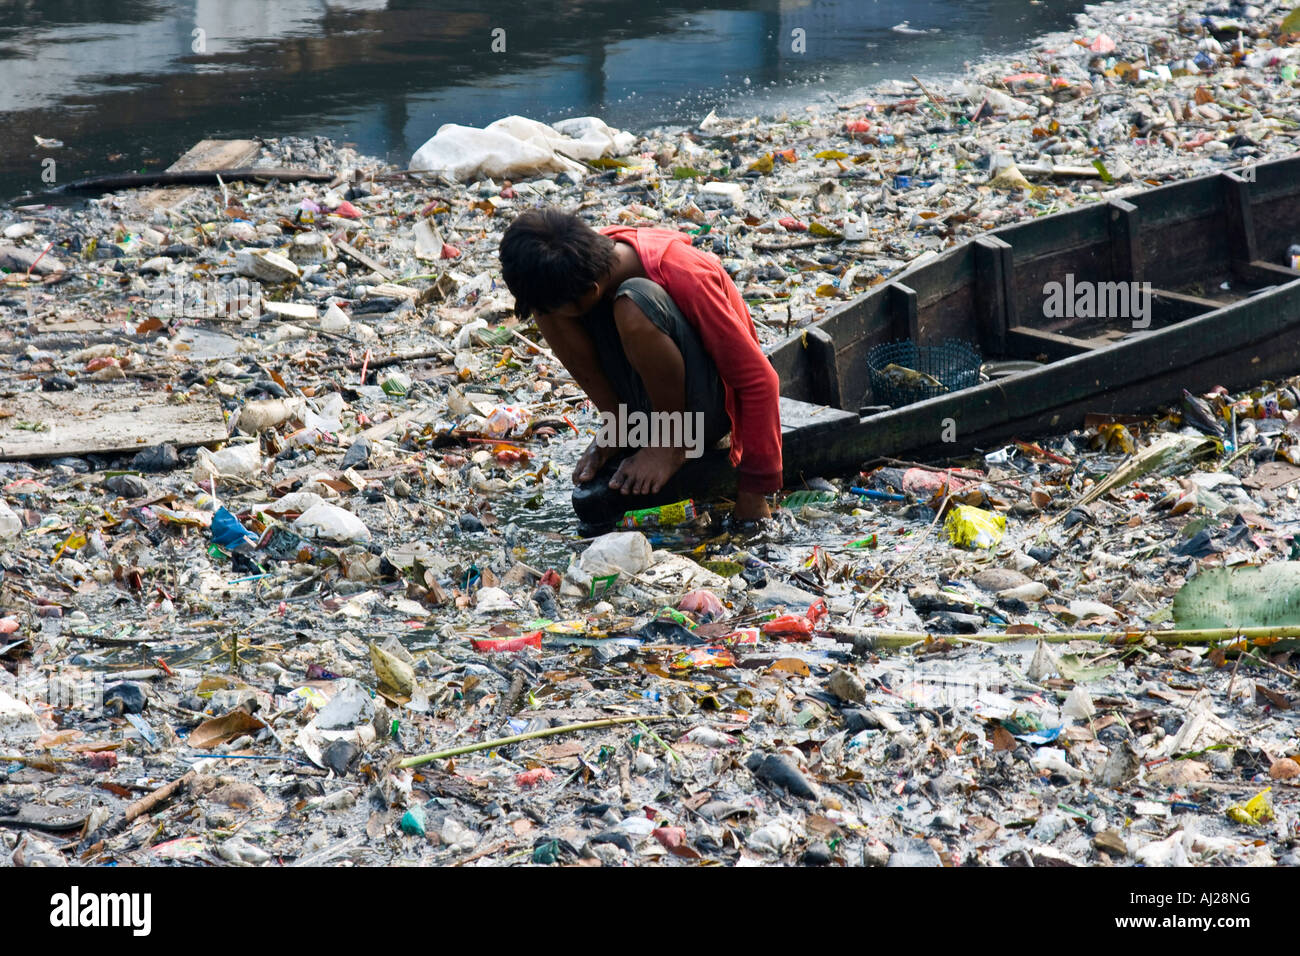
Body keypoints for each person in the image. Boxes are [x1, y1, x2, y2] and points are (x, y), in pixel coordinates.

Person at [499, 207, 781, 521]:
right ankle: (620, 425)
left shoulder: (684, 272)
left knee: (634, 302)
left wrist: (754, 495)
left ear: (590, 292)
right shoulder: (580, 260)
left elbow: (761, 381)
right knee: (546, 306)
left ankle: (671, 442)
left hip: (705, 411)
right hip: (650, 401)